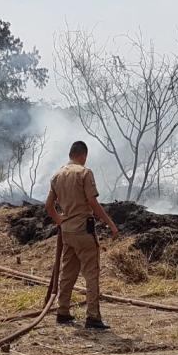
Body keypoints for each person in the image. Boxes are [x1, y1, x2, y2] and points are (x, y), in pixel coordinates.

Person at [45, 141, 119, 329]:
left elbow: (48, 206)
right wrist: (111, 224)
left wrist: (60, 221)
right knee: (91, 273)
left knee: (68, 272)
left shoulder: (56, 175)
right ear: (83, 155)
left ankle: (62, 311)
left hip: (67, 232)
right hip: (83, 230)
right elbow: (92, 203)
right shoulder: (84, 173)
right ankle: (93, 316)